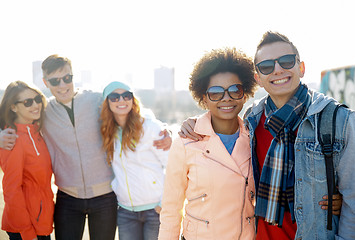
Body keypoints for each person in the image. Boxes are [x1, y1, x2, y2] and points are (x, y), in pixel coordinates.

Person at [179, 31, 355, 240]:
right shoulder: (252, 119)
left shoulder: (337, 119)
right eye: (266, 66)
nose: (277, 70)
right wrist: (193, 124)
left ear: (300, 68)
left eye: (286, 61)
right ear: (258, 78)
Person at [0, 54, 172, 240]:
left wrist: (164, 128)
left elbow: (129, 108)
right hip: (67, 197)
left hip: (105, 197)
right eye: (55, 81)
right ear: (45, 82)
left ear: (73, 76)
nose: (63, 85)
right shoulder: (44, 111)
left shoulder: (96, 100)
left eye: (67, 78)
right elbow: (16, 121)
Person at [158, 48, 258, 240]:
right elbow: (171, 208)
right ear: (204, 98)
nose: (226, 98)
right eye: (215, 93)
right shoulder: (186, 143)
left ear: (244, 94)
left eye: (235, 90)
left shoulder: (254, 140)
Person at [100, 81, 169, 240]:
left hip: (155, 210)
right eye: (114, 97)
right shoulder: (108, 132)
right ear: (107, 102)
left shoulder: (150, 127)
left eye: (126, 96)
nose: (121, 100)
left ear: (133, 99)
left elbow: (171, 166)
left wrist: (163, 203)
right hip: (125, 212)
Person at [0, 81, 54, 240]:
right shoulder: (12, 138)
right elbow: (11, 189)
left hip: (41, 220)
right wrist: (26, 233)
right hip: (26, 227)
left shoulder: (36, 133)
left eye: (37, 99)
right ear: (13, 107)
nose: (35, 105)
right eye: (27, 102)